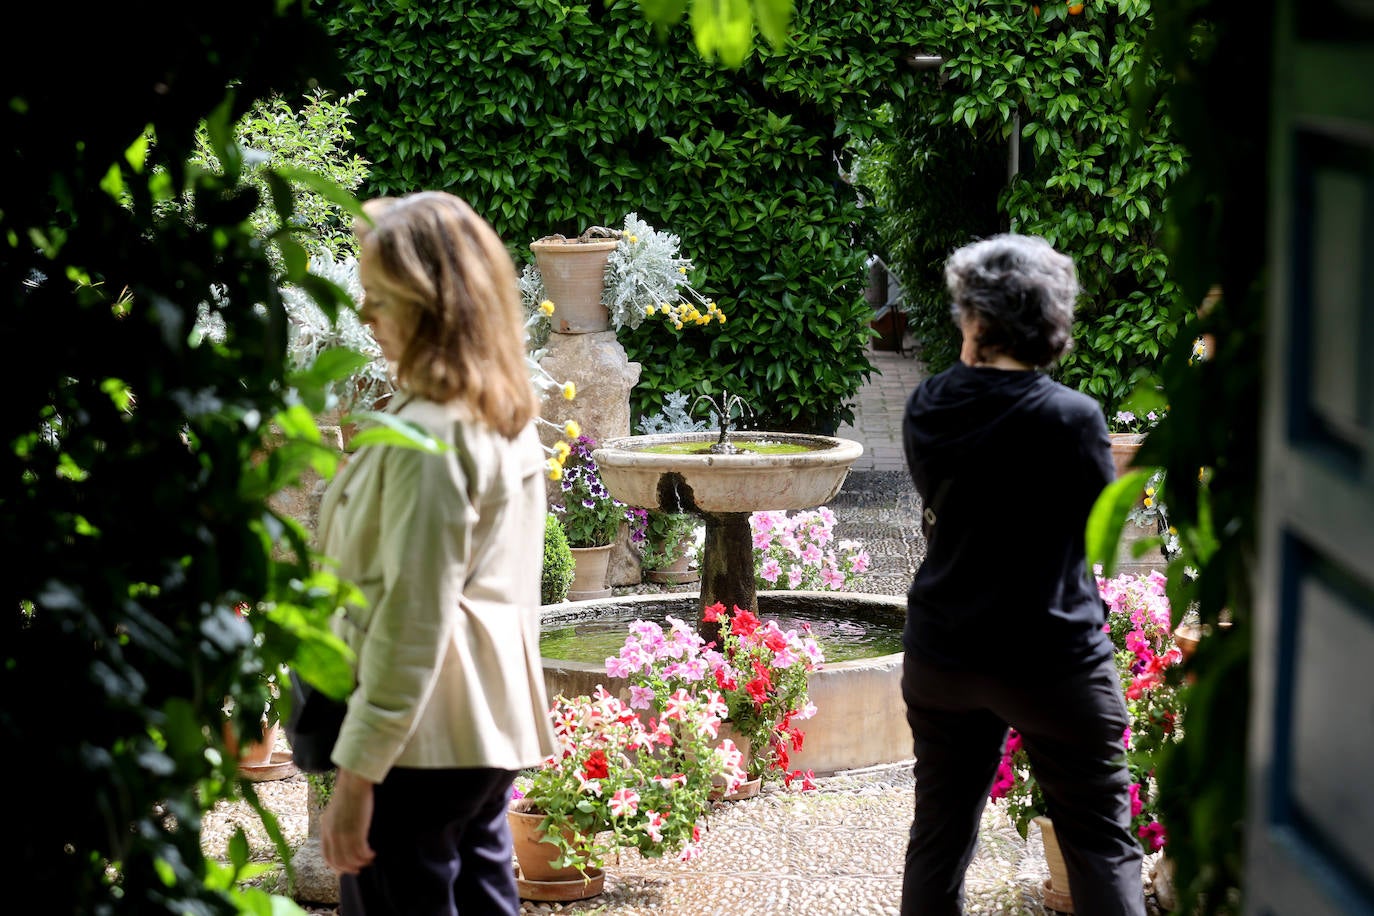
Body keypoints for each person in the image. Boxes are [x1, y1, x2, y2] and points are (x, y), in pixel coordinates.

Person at [316, 190, 557, 915]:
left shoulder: (431, 437)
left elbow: (413, 615)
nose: (364, 317)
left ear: (431, 305)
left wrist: (357, 775)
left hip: (419, 744)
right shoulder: (499, 415)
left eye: (378, 298)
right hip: (480, 734)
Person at [900, 234, 1145, 915]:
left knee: (939, 841)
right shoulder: (1072, 419)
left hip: (945, 652)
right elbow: (1100, 530)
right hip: (1053, 657)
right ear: (1049, 319)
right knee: (1100, 842)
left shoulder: (926, 406)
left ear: (977, 317)